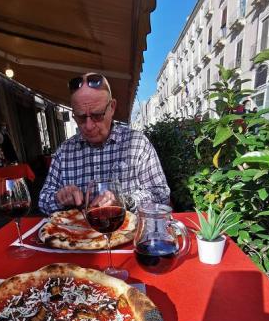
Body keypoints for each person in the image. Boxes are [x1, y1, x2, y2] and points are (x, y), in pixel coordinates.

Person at [38, 73, 170, 215]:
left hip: (128, 233)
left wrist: (124, 201)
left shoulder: (137, 144)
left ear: (112, 107)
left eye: (97, 115)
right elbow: (43, 201)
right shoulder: (64, 152)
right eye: (81, 117)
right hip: (77, 234)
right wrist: (59, 198)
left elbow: (161, 194)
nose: (88, 126)